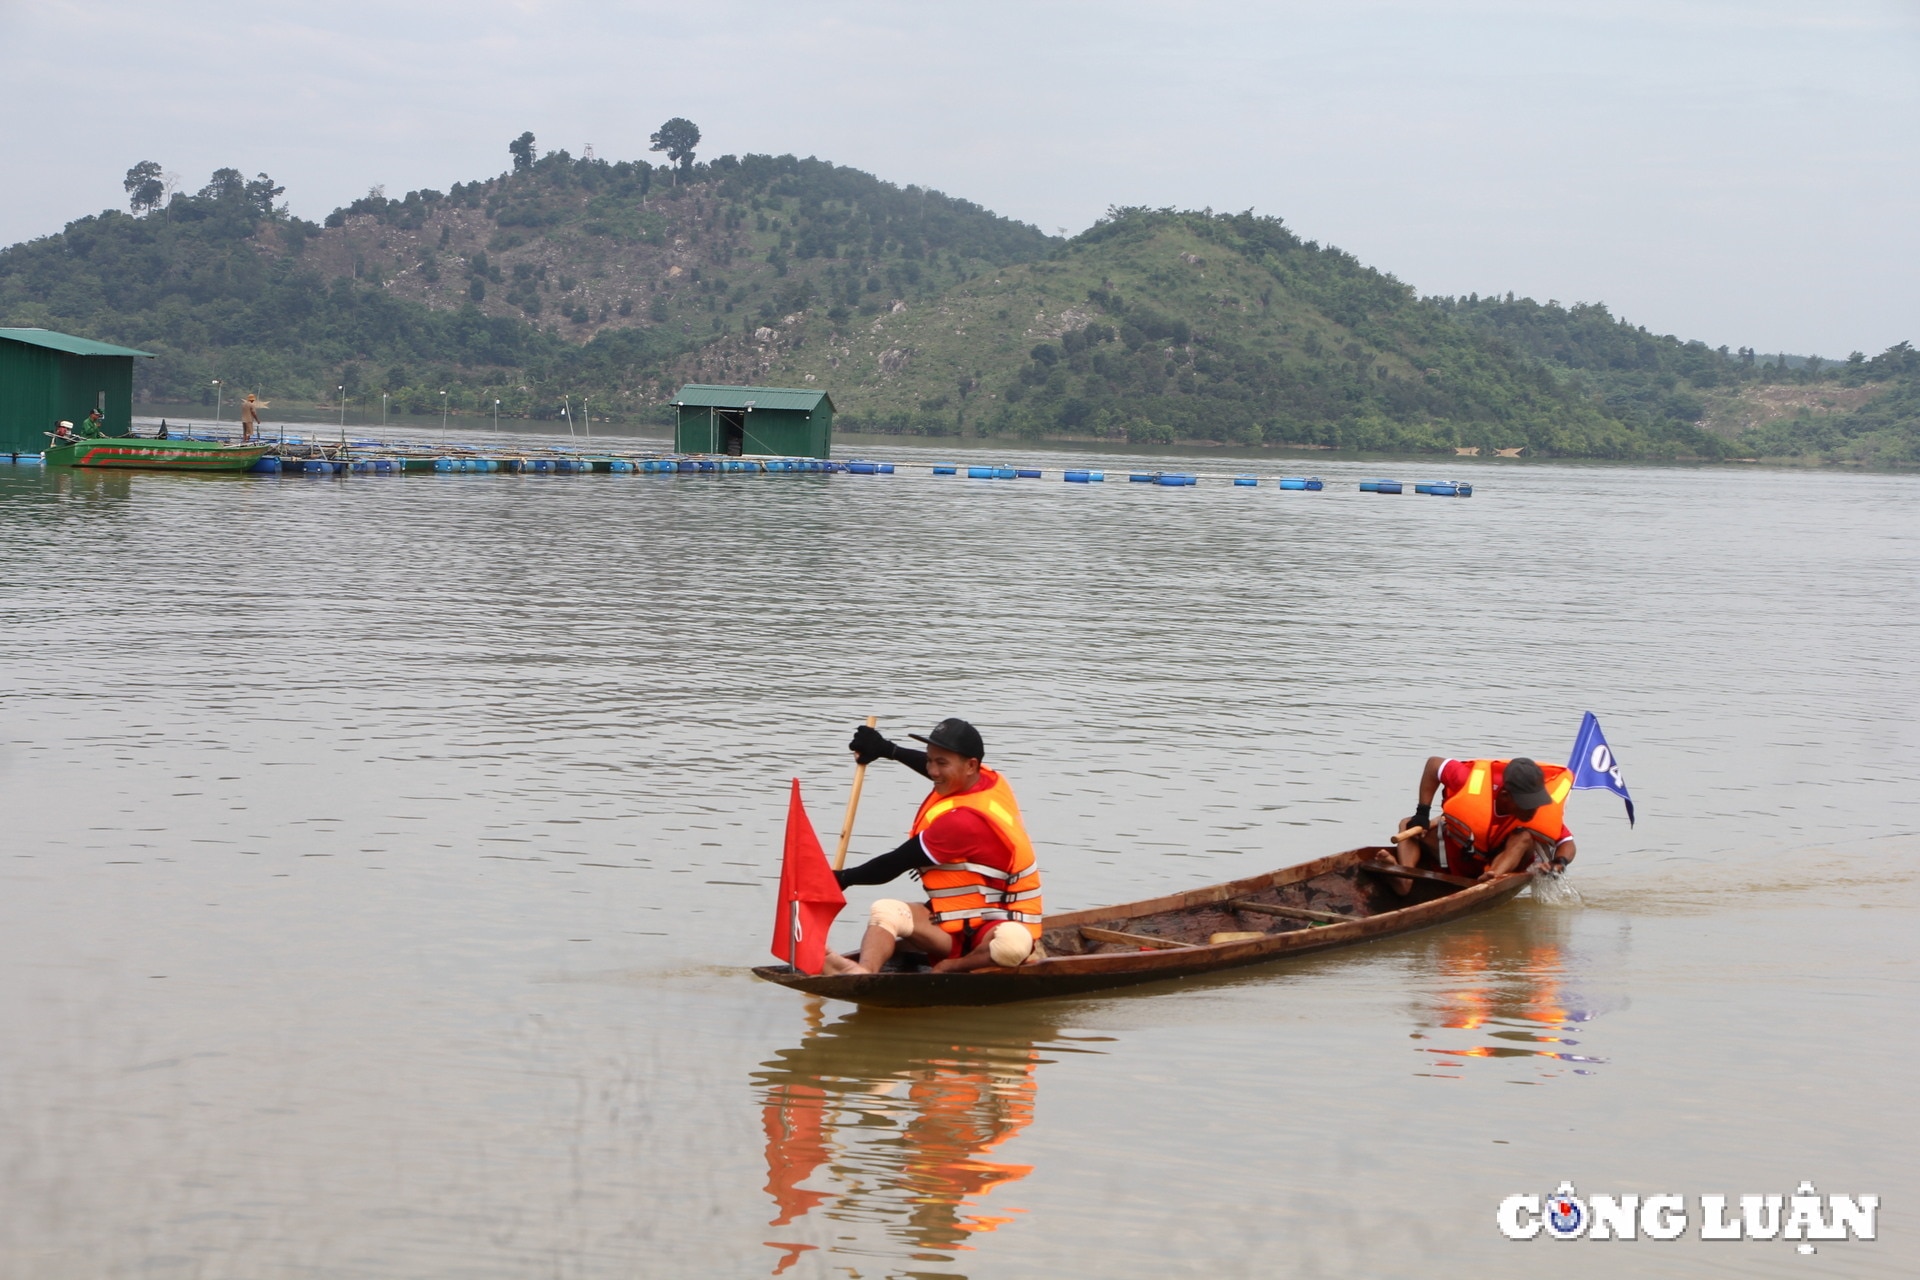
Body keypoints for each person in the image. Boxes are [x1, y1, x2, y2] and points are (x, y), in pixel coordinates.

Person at [823, 718, 1043, 976]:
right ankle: (863, 972)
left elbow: (896, 862)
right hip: (948, 927)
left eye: (941, 763)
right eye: (930, 760)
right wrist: (887, 750)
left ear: (971, 765)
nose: (933, 771)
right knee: (886, 910)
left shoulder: (964, 823)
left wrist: (842, 879)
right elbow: (936, 767)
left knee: (1012, 944)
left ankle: (953, 967)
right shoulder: (989, 779)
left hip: (995, 927)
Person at [1390, 755, 1577, 884]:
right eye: (1526, 803)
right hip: (1458, 855)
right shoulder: (1468, 780)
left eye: (1536, 802)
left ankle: (1490, 879)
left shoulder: (1538, 814)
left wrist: (1559, 862)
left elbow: (1567, 842)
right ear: (1505, 796)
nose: (1533, 810)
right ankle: (1404, 877)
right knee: (1408, 825)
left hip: (1499, 866)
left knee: (1524, 837)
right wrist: (1422, 813)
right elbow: (1433, 765)